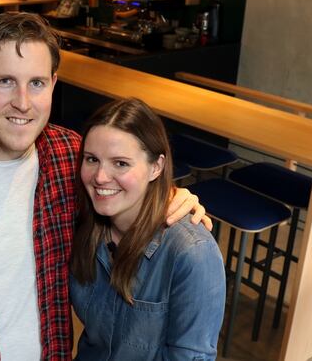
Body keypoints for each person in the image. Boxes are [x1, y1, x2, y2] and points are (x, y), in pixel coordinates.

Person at [0, 13, 210, 360]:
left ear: (53, 84)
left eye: (37, 83)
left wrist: (172, 196)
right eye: (4, 81)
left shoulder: (73, 157)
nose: (23, 102)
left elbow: (126, 185)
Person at [70, 98, 226, 360]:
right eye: (92, 159)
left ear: (156, 167)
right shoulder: (84, 225)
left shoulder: (192, 252)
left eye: (120, 163)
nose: (100, 177)